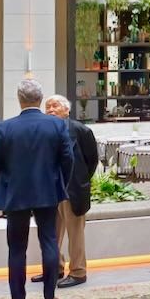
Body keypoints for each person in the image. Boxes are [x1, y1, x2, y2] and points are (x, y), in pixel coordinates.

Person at [0, 80, 73, 299]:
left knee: (16, 248)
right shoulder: (57, 126)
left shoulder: (5, 128)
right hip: (47, 191)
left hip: (15, 193)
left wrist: (0, 186)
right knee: (49, 242)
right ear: (40, 98)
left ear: (19, 99)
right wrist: (60, 184)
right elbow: (68, 160)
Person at [33, 94, 99, 289]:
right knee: (51, 233)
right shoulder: (42, 131)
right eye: (48, 107)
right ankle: (54, 269)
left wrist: (79, 181)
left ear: (67, 110)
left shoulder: (81, 131)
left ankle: (78, 272)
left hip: (71, 190)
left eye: (56, 106)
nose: (51, 109)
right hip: (49, 190)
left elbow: (91, 161)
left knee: (75, 233)